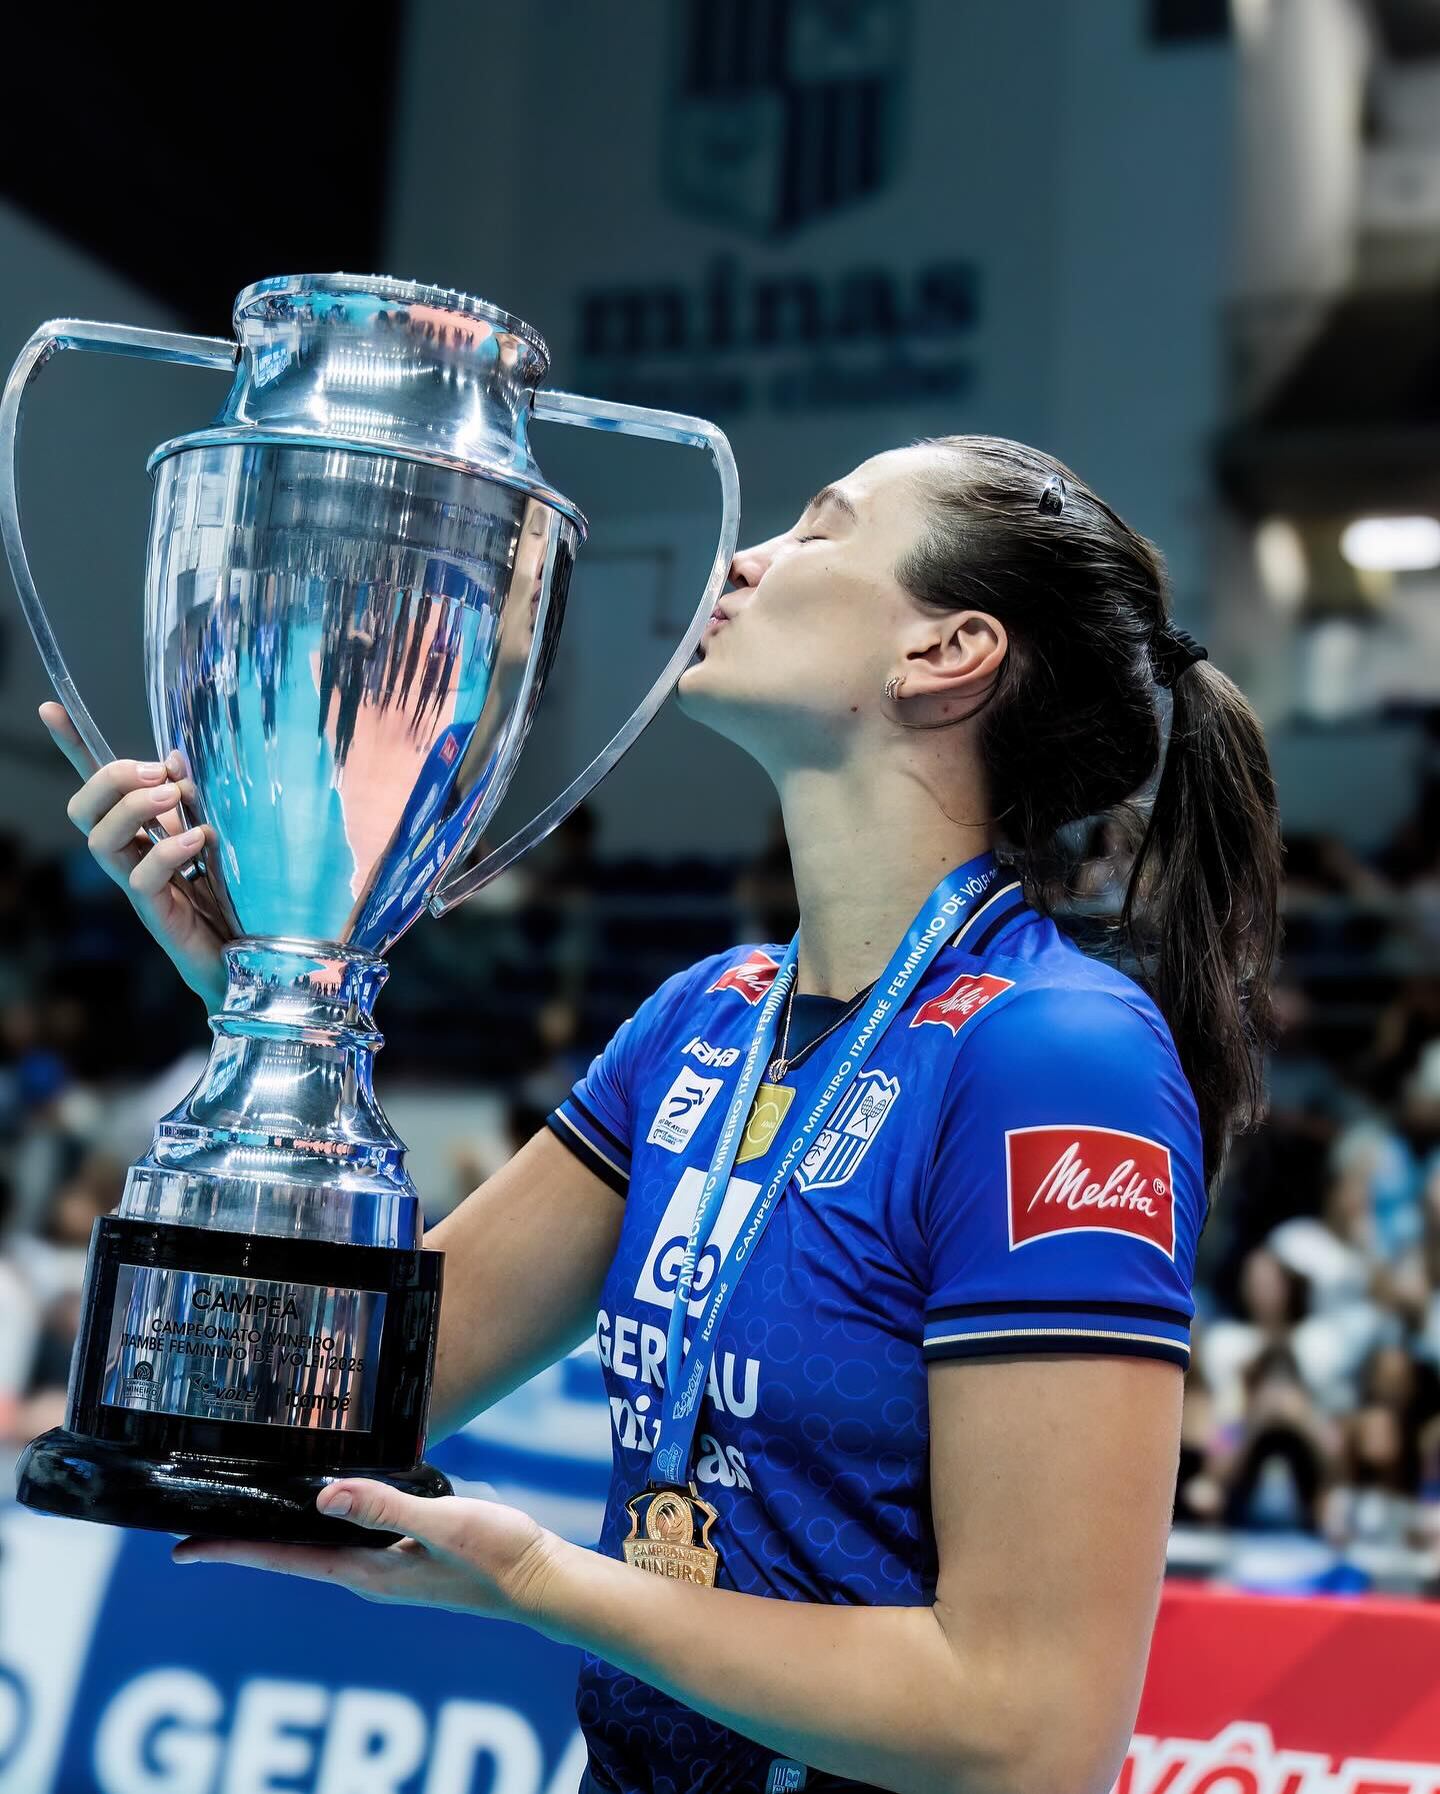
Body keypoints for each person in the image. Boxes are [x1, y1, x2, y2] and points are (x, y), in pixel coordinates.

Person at [43, 435, 1282, 1794]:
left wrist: (542, 1581)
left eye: (821, 526)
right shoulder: (705, 1019)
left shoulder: (1056, 1058)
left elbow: (1031, 1733)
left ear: (949, 652)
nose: (747, 561)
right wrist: (271, 1000)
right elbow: (342, 1391)